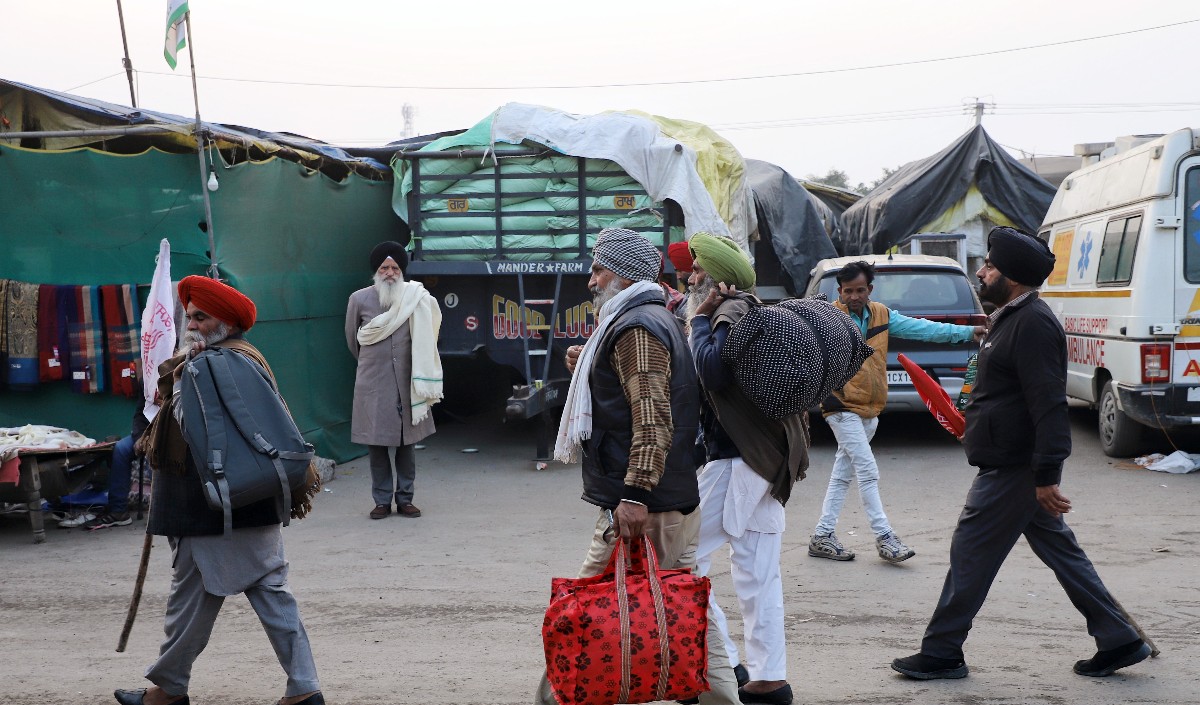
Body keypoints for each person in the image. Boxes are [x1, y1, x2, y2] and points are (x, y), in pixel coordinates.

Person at [892, 227, 1151, 680]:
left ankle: (942, 652)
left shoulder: (1032, 323)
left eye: (989, 266)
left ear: (1010, 278)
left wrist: (1047, 474)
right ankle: (1119, 637)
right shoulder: (1010, 317)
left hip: (1015, 468)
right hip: (1013, 462)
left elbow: (1048, 403)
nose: (981, 271)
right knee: (1063, 554)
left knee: (969, 553)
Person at [536, 227, 741, 705]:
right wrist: (588, 363)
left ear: (622, 275)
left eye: (598, 268)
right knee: (688, 609)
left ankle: (561, 699)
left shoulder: (636, 328)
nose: (590, 280)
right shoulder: (650, 318)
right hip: (672, 500)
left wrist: (633, 496)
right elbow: (632, 396)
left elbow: (652, 419)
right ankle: (723, 700)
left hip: (646, 507)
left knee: (582, 611)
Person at [116, 275, 323, 705]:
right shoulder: (245, 357)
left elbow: (202, 440)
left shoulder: (209, 365)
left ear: (225, 322)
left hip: (213, 510)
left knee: (199, 602)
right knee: (241, 594)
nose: (191, 325)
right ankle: (299, 688)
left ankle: (170, 692)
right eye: (188, 316)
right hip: (247, 501)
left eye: (201, 317)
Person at [685, 232, 809, 705]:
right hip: (768, 461)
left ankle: (724, 661)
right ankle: (769, 679)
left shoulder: (728, 313)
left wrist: (698, 321)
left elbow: (713, 371)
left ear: (718, 280)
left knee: (681, 558)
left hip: (738, 460)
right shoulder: (752, 311)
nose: (690, 275)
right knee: (758, 575)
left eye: (698, 269)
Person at [809, 260, 985, 563]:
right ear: (839, 291)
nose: (854, 296)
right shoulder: (829, 319)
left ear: (870, 290)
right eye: (848, 291)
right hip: (840, 406)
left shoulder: (881, 314)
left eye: (860, 290)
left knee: (843, 474)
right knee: (867, 470)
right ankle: (885, 537)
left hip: (870, 408)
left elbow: (924, 330)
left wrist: (969, 333)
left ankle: (822, 535)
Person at [345, 241, 442, 520]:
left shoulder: (416, 298)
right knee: (376, 447)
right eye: (384, 267)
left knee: (406, 446)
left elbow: (428, 336)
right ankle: (382, 501)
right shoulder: (359, 299)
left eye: (395, 267)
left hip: (407, 383)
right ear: (376, 271)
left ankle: (406, 499)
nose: (389, 272)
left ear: (402, 271)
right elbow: (354, 341)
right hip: (373, 385)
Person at [78, 400, 152, 531]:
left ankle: (167, 510)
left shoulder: (177, 380)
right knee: (121, 449)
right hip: (148, 432)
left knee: (162, 452)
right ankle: (119, 511)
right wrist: (140, 437)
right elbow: (140, 414)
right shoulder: (146, 381)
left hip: (173, 432)